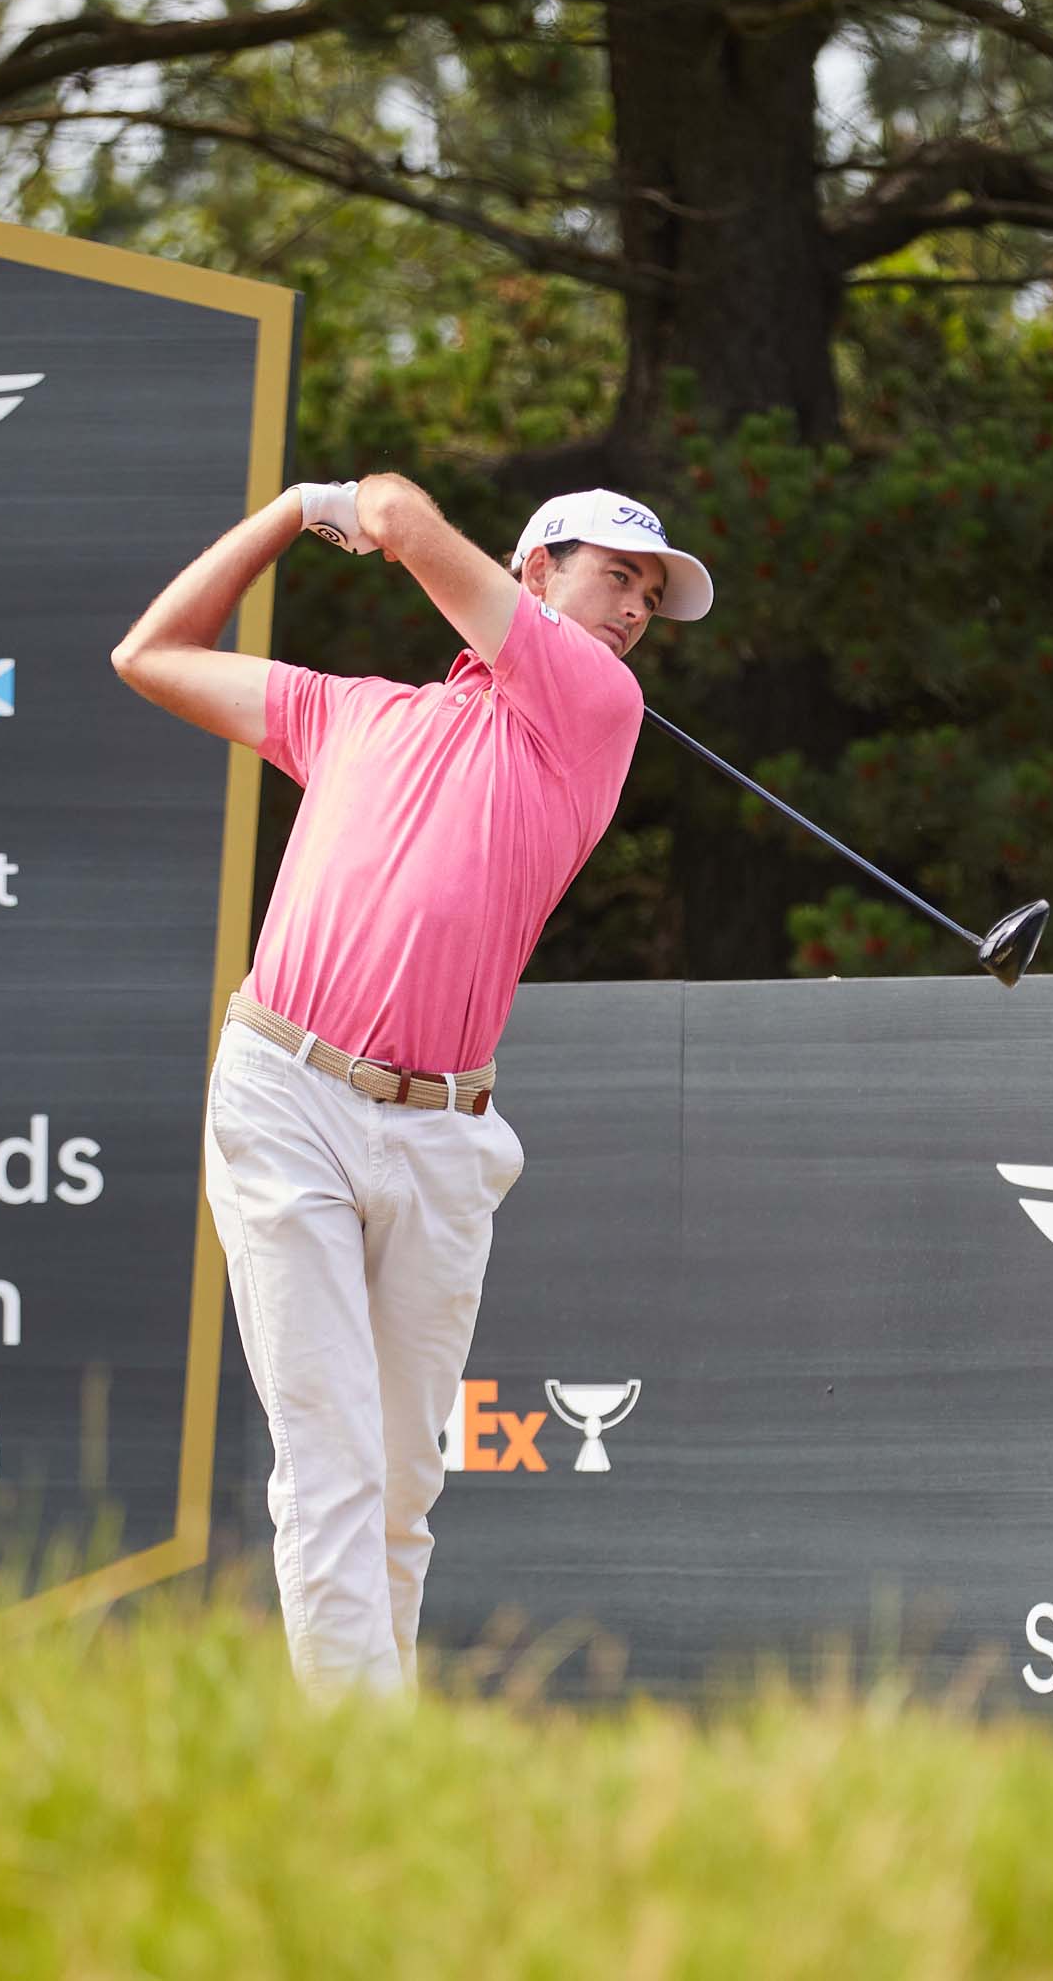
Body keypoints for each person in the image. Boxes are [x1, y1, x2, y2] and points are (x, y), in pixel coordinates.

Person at [110, 476, 711, 1694]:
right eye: (617, 577)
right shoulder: (352, 713)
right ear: (535, 570)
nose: (636, 611)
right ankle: (354, 1753)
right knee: (331, 1458)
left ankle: (372, 1754)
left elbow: (399, 514)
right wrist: (288, 513)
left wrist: (362, 505)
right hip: (285, 1092)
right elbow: (150, 654)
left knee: (399, 1484)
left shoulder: (599, 709)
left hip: (443, 1133)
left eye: (651, 598)